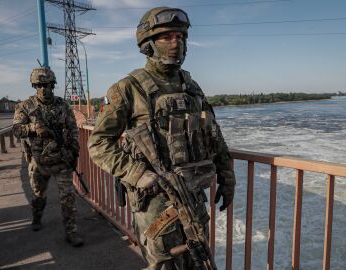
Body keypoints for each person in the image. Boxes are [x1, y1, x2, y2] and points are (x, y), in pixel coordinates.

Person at [88, 6, 236, 269]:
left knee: (198, 260)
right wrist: (136, 173)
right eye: (166, 36)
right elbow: (98, 143)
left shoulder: (191, 88)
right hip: (155, 205)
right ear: (148, 44)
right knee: (164, 264)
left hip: (192, 197)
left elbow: (215, 137)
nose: (175, 43)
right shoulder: (128, 88)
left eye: (180, 36)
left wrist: (228, 178)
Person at [13, 67, 83, 247]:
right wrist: (33, 128)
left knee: (68, 198)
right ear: (34, 86)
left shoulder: (62, 105)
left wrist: (74, 149)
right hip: (38, 162)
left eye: (47, 85)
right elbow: (16, 130)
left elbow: (73, 128)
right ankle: (37, 217)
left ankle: (71, 231)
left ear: (53, 85)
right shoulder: (26, 106)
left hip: (61, 159)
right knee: (38, 196)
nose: (43, 89)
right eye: (39, 85)